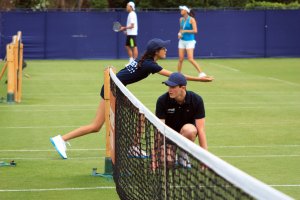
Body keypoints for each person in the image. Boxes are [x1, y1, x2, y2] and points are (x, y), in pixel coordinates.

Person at [50, 38, 213, 159]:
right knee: (103, 124)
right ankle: (62, 139)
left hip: (115, 89)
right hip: (112, 90)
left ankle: (131, 147)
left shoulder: (145, 60)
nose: (166, 50)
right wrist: (200, 79)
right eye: (164, 48)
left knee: (112, 122)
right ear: (157, 51)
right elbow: (176, 76)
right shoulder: (150, 64)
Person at [155, 72, 208, 168]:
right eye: (168, 86)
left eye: (173, 87)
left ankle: (183, 153)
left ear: (183, 88)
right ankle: (170, 151)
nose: (169, 90)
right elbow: (159, 131)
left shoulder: (197, 100)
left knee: (190, 130)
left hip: (186, 135)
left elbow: (200, 130)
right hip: (168, 137)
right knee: (166, 162)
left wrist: (205, 158)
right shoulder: (162, 100)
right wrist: (155, 157)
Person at [177, 5, 207, 78]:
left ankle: (201, 73)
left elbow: (195, 31)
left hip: (190, 41)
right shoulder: (181, 19)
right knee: (180, 59)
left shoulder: (192, 19)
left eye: (182, 10)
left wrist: (185, 31)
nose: (181, 11)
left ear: (186, 11)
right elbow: (181, 29)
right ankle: (178, 74)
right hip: (182, 41)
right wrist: (179, 34)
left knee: (190, 59)